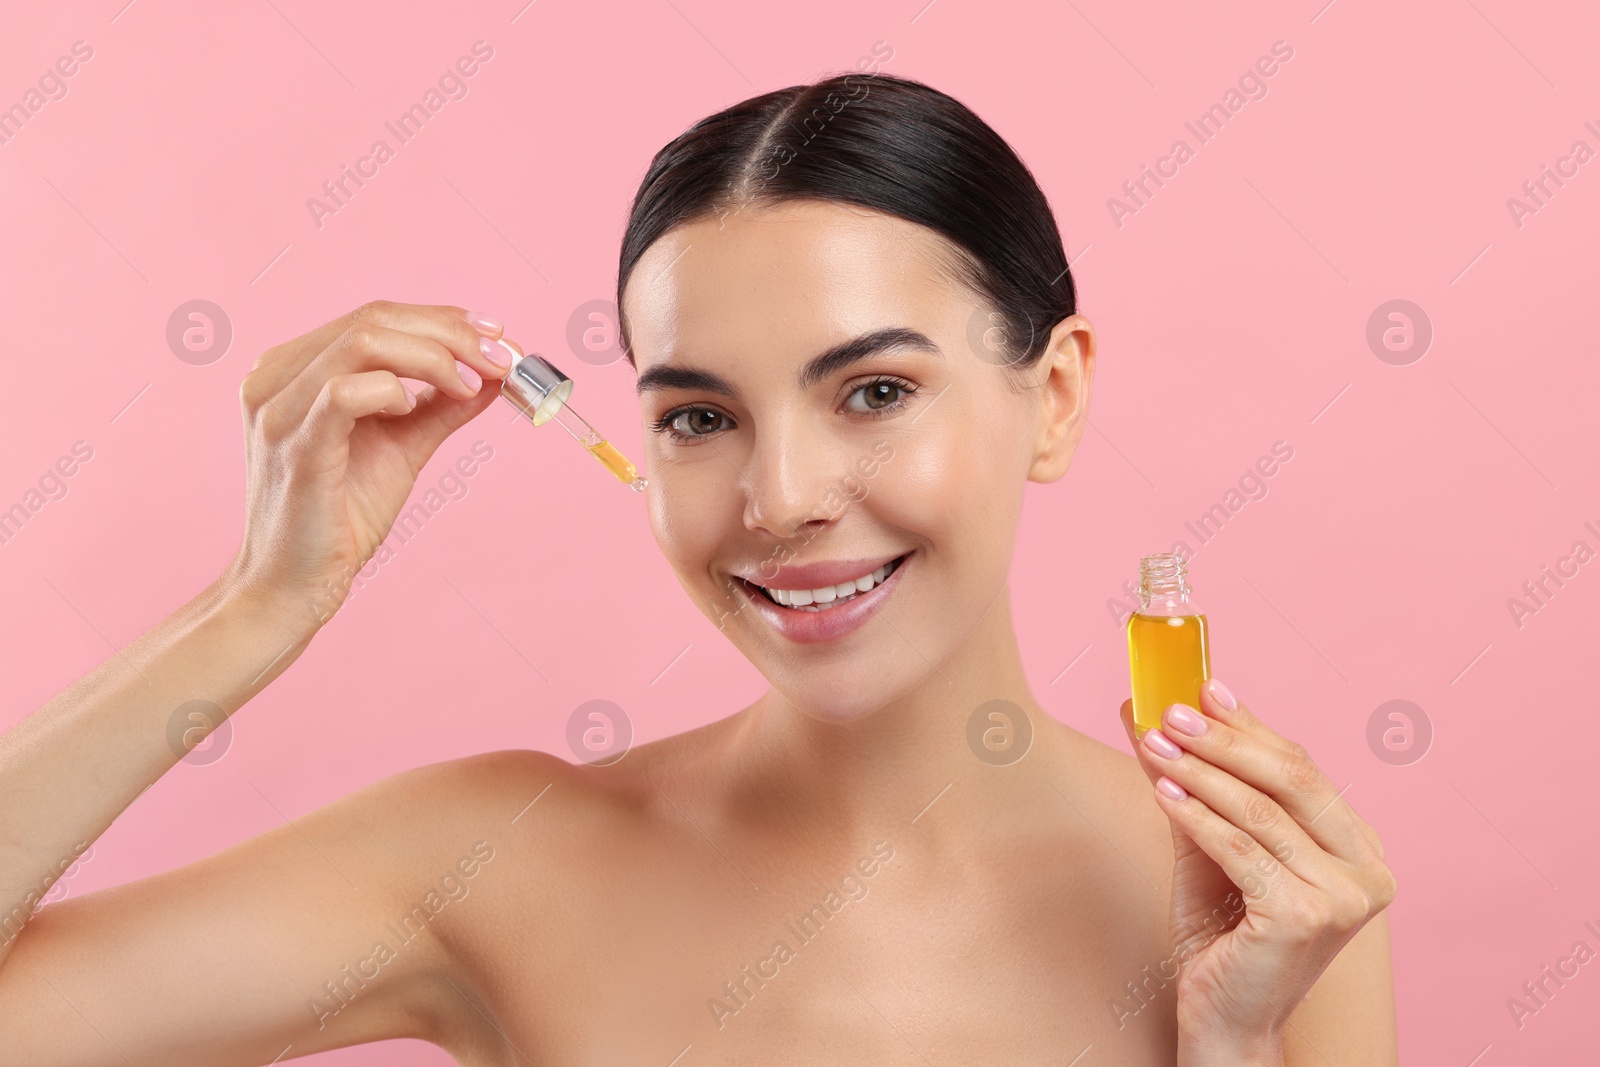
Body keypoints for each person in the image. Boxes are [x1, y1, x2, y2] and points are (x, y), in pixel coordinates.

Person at [0, 71, 1397, 1065]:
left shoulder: (1260, 902)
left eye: (873, 394)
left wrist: (1237, 1050)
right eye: (700, 419)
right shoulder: (493, 866)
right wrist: (251, 610)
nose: (780, 500)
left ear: (1059, 394)